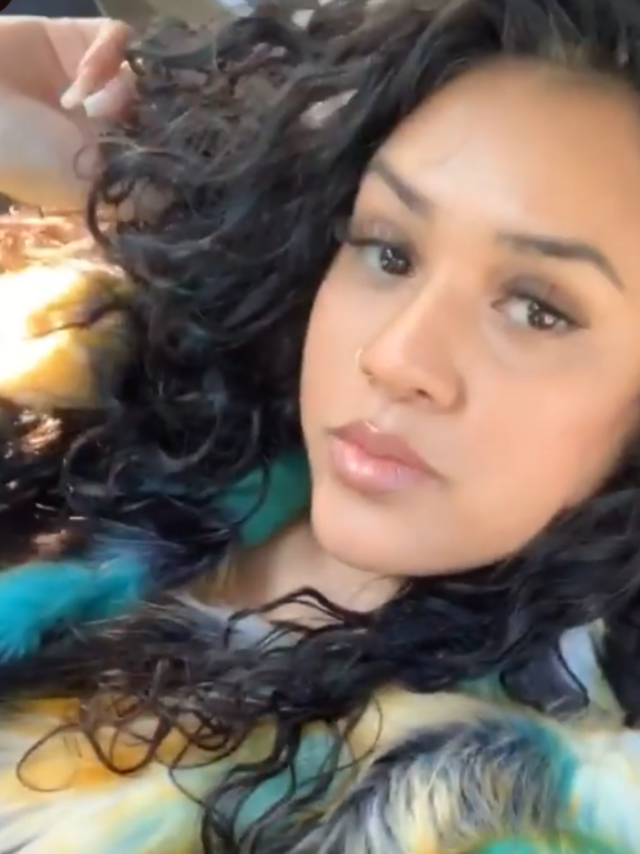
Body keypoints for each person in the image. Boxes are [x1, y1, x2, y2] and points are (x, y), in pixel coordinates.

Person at [0, 0, 640, 852]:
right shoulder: (98, 418)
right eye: (388, 250)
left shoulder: (527, 818)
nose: (395, 357)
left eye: (537, 310)